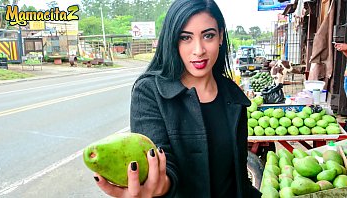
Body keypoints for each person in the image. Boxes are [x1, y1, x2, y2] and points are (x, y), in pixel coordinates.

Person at [94, 0, 261, 197]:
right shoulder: (149, 92)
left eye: (208, 35)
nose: (198, 50)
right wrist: (157, 184)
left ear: (221, 37)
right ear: (172, 40)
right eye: (185, 38)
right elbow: (161, 161)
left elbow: (238, 176)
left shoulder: (232, 95)